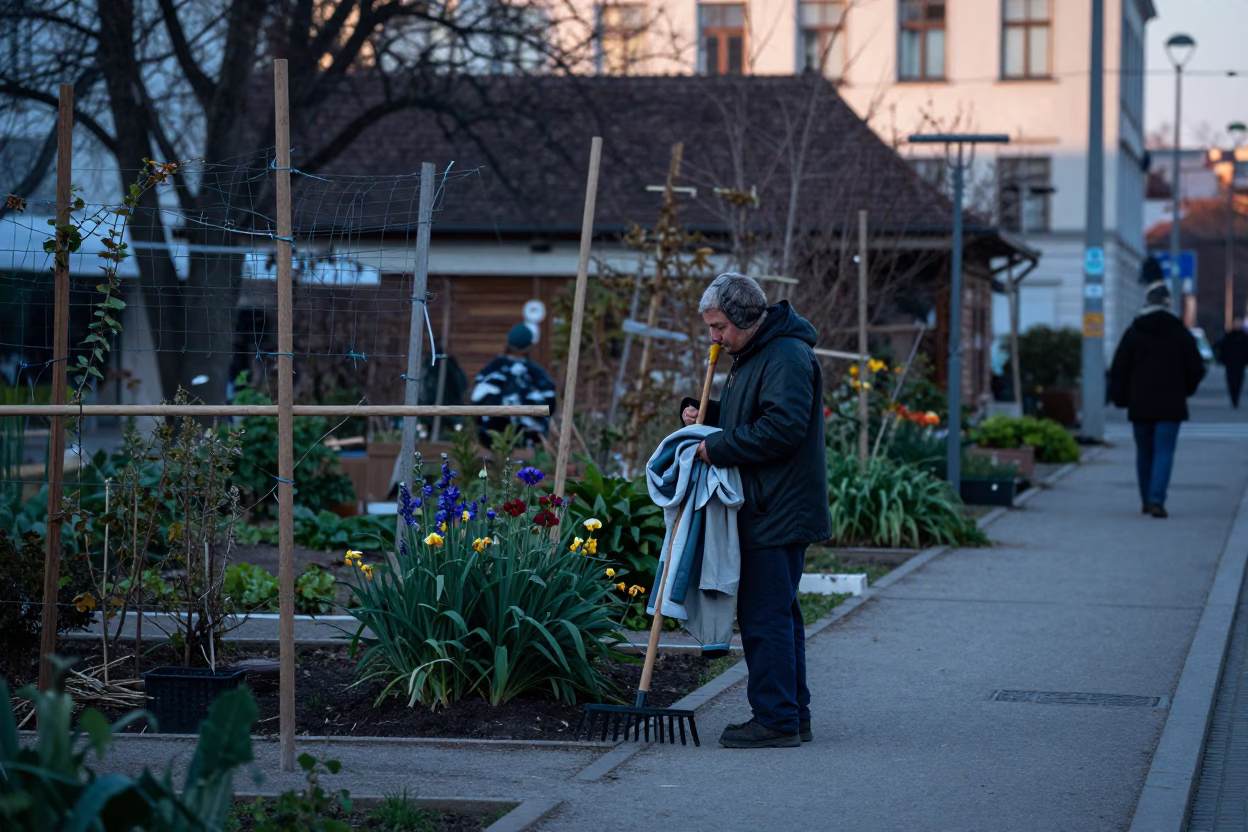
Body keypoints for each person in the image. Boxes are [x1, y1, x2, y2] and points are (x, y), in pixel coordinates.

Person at [678, 272, 830, 749]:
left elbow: (783, 428)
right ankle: (791, 713)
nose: (713, 338)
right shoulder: (754, 353)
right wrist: (708, 416)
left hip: (775, 507)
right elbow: (756, 417)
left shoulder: (785, 355)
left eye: (719, 327)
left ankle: (776, 719)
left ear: (746, 319)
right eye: (710, 328)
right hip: (770, 501)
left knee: (765, 617)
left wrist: (717, 448)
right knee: (778, 614)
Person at [1109, 280, 1205, 519]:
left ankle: (1145, 499)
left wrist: (1121, 398)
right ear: (1168, 304)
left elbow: (1119, 369)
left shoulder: (1133, 333)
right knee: (1164, 451)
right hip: (1171, 403)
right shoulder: (1180, 333)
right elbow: (1196, 367)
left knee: (1144, 452)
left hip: (1140, 403)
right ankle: (1156, 499)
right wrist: (1186, 389)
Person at [469, 324, 556, 449]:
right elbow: (550, 404)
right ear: (529, 347)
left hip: (491, 441)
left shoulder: (490, 371)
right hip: (529, 442)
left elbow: (475, 401)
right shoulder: (536, 374)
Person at [1215, 316, 1248, 409]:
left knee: (1238, 381)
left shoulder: (1244, 337)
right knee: (1231, 381)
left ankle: (1236, 398)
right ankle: (1233, 397)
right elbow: (1222, 348)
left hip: (1240, 363)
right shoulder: (1229, 336)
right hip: (1230, 363)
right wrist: (1222, 360)